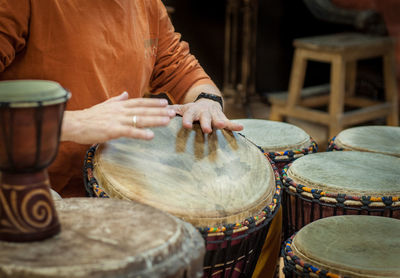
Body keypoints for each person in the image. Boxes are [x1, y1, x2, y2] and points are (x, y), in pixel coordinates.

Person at [0, 0, 243, 197]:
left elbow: (181, 69)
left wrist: (206, 101)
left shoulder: (146, 4)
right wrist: (73, 123)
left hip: (117, 189)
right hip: (31, 196)